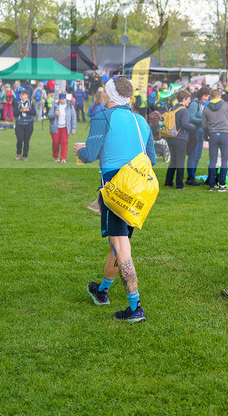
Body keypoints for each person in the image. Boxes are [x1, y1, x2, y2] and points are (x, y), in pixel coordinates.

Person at [77, 75, 156, 323]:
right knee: (117, 241)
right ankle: (101, 290)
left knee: (120, 245)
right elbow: (151, 158)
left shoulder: (103, 116)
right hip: (138, 189)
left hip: (116, 187)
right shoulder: (141, 120)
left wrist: (79, 149)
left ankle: (135, 307)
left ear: (109, 95)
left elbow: (89, 155)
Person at [201, 91, 228, 191]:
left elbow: (203, 125)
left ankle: (212, 185)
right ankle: (222, 184)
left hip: (213, 135)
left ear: (211, 97)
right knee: (224, 160)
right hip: (224, 134)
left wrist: (208, 132)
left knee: (212, 161)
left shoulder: (206, 108)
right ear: (219, 96)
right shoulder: (226, 105)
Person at [185, 87, 209, 186]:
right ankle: (190, 178)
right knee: (193, 156)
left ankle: (192, 176)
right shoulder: (194, 104)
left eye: (208, 96)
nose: (206, 98)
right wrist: (203, 121)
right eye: (205, 96)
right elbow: (190, 118)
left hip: (200, 133)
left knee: (198, 156)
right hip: (194, 133)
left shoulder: (202, 105)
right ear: (200, 95)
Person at [49, 92, 77, 162]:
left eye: (63, 99)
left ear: (65, 99)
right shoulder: (55, 105)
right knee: (55, 142)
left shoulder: (70, 106)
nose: (62, 101)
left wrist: (73, 128)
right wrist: (55, 114)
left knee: (64, 142)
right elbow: (49, 115)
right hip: (55, 127)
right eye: (60, 99)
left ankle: (63, 158)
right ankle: (56, 156)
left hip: (65, 127)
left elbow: (73, 117)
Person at [13, 89, 35, 161]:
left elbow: (34, 113)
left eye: (22, 94)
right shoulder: (17, 103)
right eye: (20, 94)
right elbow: (14, 113)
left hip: (29, 124)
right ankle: (18, 154)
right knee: (19, 139)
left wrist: (28, 110)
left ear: (26, 95)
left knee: (26, 140)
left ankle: (25, 155)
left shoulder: (31, 103)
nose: (20, 96)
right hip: (19, 124)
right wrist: (20, 110)